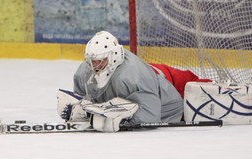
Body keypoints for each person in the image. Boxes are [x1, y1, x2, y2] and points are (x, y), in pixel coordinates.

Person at [57, 31, 210, 132]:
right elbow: (84, 100)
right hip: (152, 76)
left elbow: (151, 116)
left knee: (203, 89)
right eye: (92, 61)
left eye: (100, 61)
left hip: (171, 85)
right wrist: (81, 108)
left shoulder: (133, 76)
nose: (95, 66)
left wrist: (119, 120)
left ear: (114, 56)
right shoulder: (83, 72)